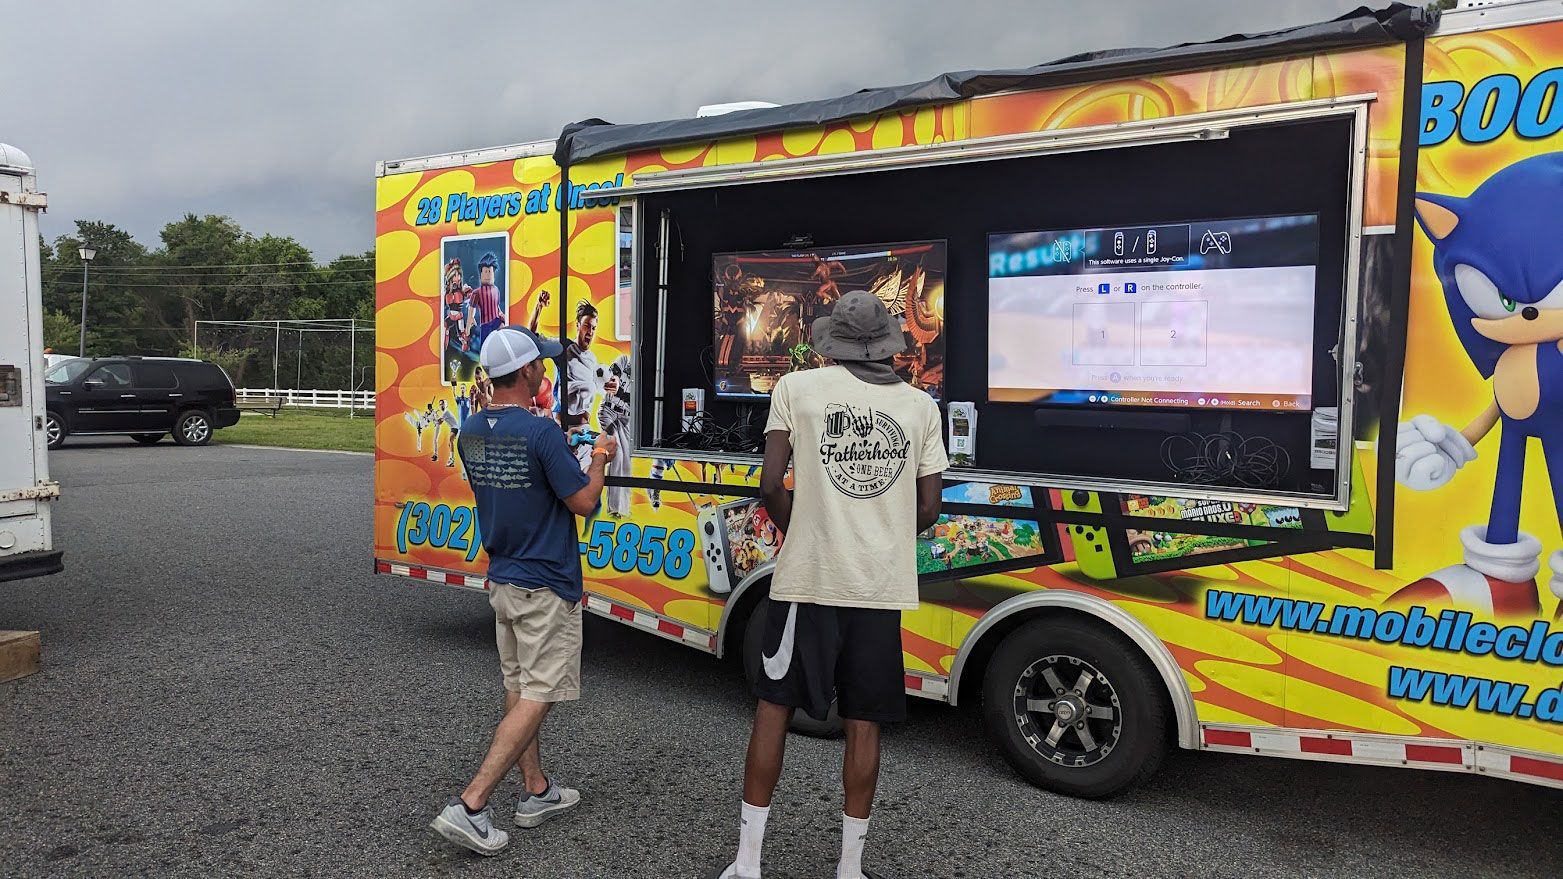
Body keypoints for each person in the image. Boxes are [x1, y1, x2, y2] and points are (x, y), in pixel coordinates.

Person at [712, 291, 947, 879]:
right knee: (864, 724)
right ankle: (849, 868)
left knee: (774, 709)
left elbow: (771, 485)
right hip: (879, 588)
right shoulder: (921, 406)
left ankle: (748, 862)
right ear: (890, 343)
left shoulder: (796, 389)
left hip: (807, 582)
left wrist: (807, 529)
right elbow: (929, 508)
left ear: (832, 342)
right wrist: (882, 527)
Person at [428, 326, 618, 857]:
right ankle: (471, 804)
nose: (546, 370)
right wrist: (599, 457)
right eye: (541, 363)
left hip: (504, 578)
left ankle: (536, 790)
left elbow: (516, 490)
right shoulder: (541, 433)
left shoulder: (470, 429)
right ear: (526, 371)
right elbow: (583, 503)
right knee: (542, 692)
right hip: (547, 582)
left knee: (519, 684)